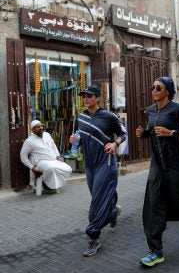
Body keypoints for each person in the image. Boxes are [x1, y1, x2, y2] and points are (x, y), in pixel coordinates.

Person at [135, 77, 179, 268]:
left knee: (173, 207)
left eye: (159, 87)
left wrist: (171, 133)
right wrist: (145, 133)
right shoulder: (150, 110)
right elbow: (153, 130)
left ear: (168, 91)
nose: (154, 90)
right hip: (157, 163)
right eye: (152, 87)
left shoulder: (178, 110)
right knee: (153, 203)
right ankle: (155, 250)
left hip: (176, 162)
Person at [69, 86, 127, 257]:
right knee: (99, 195)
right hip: (90, 164)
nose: (86, 98)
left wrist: (115, 144)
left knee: (97, 201)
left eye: (89, 96)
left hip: (106, 162)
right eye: (84, 96)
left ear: (97, 98)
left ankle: (93, 235)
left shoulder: (108, 116)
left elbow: (122, 133)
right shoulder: (81, 117)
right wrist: (74, 140)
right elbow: (78, 138)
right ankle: (113, 210)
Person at [20, 120, 72, 192]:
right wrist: (31, 167)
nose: (41, 128)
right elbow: (23, 156)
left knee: (68, 168)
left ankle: (53, 185)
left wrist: (57, 156)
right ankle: (46, 186)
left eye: (41, 126)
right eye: (38, 127)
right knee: (51, 168)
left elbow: (53, 146)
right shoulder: (29, 141)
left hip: (53, 160)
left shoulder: (47, 135)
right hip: (40, 162)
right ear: (33, 129)